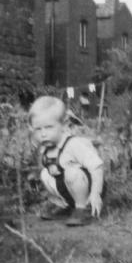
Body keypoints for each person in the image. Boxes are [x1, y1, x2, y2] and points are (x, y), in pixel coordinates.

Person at [29, 95, 104, 226]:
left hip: (88, 188)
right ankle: (65, 206)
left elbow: (97, 167)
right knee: (45, 174)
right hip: (68, 188)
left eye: (49, 127)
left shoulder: (73, 144)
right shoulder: (46, 147)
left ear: (63, 126)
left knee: (71, 172)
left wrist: (95, 194)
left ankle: (83, 209)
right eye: (38, 129)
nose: (43, 134)